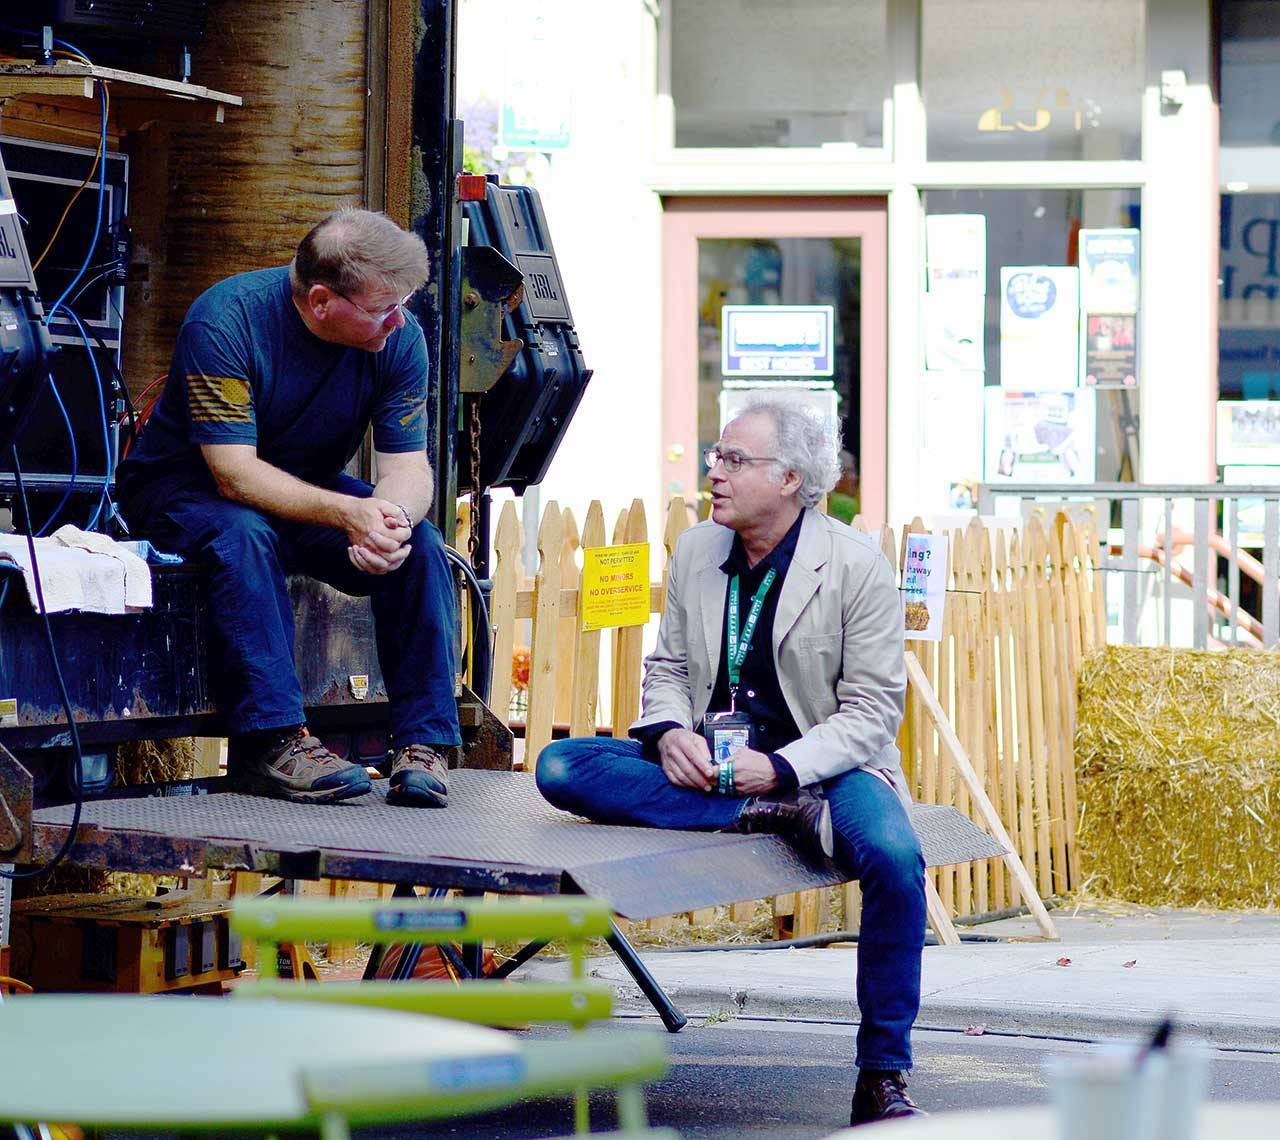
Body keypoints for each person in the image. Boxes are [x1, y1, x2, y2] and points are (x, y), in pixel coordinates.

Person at [535, 399, 928, 1126]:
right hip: (716, 767)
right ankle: (760, 817)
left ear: (789, 479)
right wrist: (667, 732)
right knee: (560, 765)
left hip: (824, 769)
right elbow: (670, 668)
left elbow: (872, 713)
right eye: (717, 456)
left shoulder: (855, 565)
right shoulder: (695, 551)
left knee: (897, 860)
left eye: (733, 460)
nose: (714, 472)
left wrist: (780, 770)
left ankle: (883, 1076)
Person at [116, 207, 459, 809]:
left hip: (299, 488)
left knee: (421, 546)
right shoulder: (225, 321)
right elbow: (234, 473)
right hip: (184, 487)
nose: (398, 320)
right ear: (322, 301)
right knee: (244, 534)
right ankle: (273, 743)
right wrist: (346, 514)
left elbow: (407, 468)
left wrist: (387, 520)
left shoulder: (399, 339)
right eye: (382, 308)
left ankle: (423, 746)